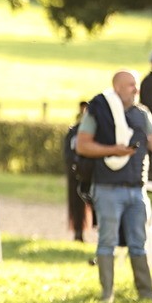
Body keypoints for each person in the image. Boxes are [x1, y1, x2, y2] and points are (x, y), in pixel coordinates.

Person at [76, 69, 152, 303]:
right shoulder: (98, 111)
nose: (136, 89)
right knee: (107, 242)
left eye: (136, 85)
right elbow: (82, 146)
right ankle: (106, 296)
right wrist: (114, 150)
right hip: (107, 188)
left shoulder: (142, 114)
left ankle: (146, 294)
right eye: (131, 85)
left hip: (137, 190)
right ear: (117, 88)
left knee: (138, 242)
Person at [64, 101, 92, 242]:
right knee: (76, 202)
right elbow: (68, 153)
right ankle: (78, 231)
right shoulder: (73, 132)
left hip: (90, 172)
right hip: (76, 171)